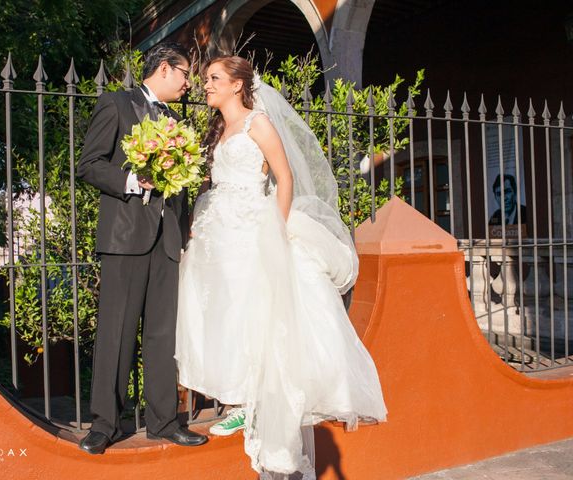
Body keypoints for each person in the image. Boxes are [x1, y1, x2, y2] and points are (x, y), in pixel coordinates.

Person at [175, 56, 387, 478]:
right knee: (225, 315)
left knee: (259, 315)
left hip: (255, 228)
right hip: (219, 235)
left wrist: (278, 226)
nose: (206, 86)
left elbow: (285, 178)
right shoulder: (219, 131)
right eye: (205, 80)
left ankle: (255, 403)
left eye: (214, 79)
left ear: (238, 85)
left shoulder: (258, 124)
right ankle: (241, 399)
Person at [76, 42, 207, 454]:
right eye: (186, 74)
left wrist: (183, 232)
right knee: (116, 332)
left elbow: (182, 185)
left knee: (162, 336)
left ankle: (164, 422)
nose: (189, 84)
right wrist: (134, 182)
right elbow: (90, 164)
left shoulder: (176, 121)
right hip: (124, 237)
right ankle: (105, 425)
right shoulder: (116, 103)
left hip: (167, 241)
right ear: (165, 69)